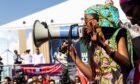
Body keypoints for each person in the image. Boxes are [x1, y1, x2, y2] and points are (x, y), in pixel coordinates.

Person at [62, 0, 133, 84]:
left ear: (97, 21)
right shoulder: (92, 44)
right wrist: (73, 55)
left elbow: (126, 63)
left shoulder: (118, 34)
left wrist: (105, 46)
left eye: (86, 19)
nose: (84, 24)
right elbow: (92, 75)